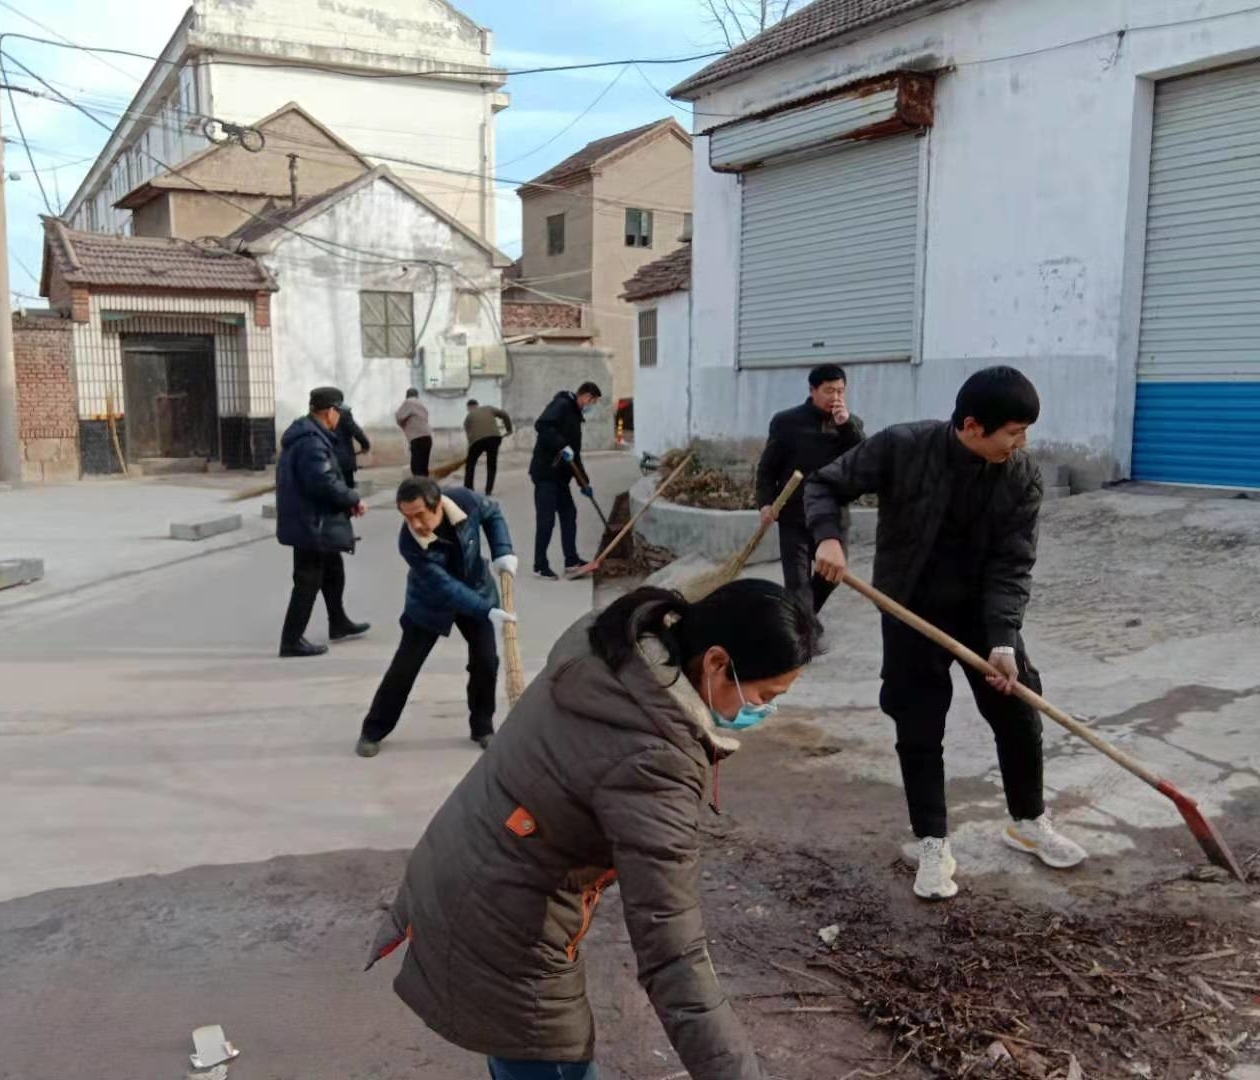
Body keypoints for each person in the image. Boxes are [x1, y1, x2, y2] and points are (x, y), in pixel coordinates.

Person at [366, 579, 818, 1080]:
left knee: (521, 1058)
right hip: (500, 918)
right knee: (549, 1056)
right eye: (766, 694)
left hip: (464, 858)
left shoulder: (613, 645)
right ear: (715, 663)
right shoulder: (653, 760)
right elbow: (674, 954)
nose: (768, 710)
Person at [806, 366, 1087, 901]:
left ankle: (1028, 820)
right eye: (1014, 431)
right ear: (974, 426)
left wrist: (1003, 639)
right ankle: (932, 842)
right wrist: (827, 538)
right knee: (918, 725)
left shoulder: (1021, 475)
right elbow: (826, 483)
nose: (1021, 442)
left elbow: (1013, 562)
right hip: (910, 611)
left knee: (1019, 711)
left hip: (983, 619)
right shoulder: (903, 446)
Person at [356, 477, 518, 758]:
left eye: (420, 514)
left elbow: (493, 513)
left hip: (476, 589)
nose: (415, 524)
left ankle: (482, 726)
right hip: (430, 602)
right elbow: (444, 586)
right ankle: (373, 729)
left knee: (486, 661)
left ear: (438, 504)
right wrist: (485, 610)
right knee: (405, 666)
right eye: (408, 517)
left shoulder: (465, 501)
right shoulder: (409, 542)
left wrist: (503, 551)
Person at [755, 363, 864, 620]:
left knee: (833, 573)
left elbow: (862, 460)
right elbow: (767, 468)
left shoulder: (851, 425)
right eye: (829, 391)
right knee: (797, 583)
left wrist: (846, 426)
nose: (835, 398)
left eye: (840, 391)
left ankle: (801, 620)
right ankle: (804, 630)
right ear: (812, 390)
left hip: (833, 516)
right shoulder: (786, 422)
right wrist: (765, 503)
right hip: (794, 514)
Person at [275, 386, 370, 658]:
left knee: (332, 569)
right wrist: (353, 498)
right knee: (307, 579)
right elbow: (323, 482)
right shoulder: (311, 442)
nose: (340, 418)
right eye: (339, 412)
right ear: (330, 412)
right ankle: (291, 640)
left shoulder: (312, 435)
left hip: (313, 519)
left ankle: (338, 621)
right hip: (310, 522)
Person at [528, 380, 603, 581]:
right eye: (592, 402)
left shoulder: (575, 417)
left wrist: (584, 483)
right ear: (586, 396)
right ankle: (540, 565)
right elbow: (542, 425)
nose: (591, 406)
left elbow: (574, 455)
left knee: (569, 514)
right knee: (547, 519)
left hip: (560, 477)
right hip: (545, 473)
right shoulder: (561, 404)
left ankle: (572, 562)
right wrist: (561, 445)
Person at [463, 399, 513, 496]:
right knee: (491, 464)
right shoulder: (488, 408)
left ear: (469, 408)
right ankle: (488, 490)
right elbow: (504, 414)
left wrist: (469, 453)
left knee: (470, 465)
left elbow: (469, 437)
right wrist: (509, 429)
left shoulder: (468, 417)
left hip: (477, 441)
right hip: (494, 438)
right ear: (477, 405)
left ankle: (468, 489)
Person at [331, 403, 371, 489]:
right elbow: (356, 432)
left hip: (326, 459)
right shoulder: (343, 412)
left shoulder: (317, 413)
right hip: (343, 460)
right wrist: (365, 445)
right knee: (347, 489)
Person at [396, 388, 432, 477]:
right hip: (427, 437)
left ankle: (418, 486)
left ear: (407, 395)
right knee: (424, 466)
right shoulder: (422, 405)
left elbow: (399, 416)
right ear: (417, 395)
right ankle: (425, 485)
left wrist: (402, 424)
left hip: (417, 438)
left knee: (416, 467)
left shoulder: (408, 402)